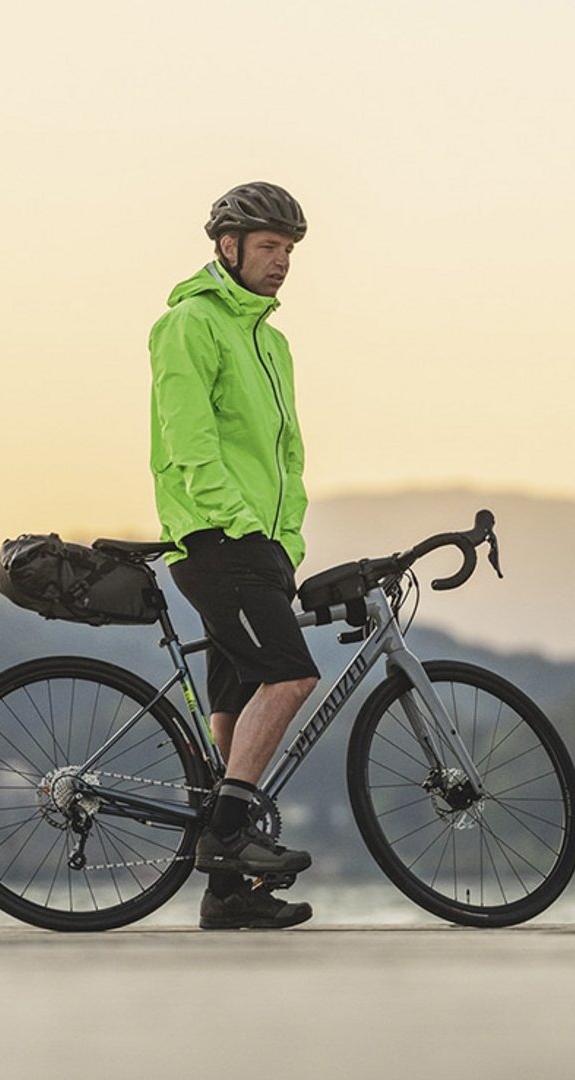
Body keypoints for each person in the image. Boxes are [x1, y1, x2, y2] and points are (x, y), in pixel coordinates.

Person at [149, 181, 321, 930]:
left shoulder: (270, 340)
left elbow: (284, 455)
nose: (281, 261)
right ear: (229, 247)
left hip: (260, 547)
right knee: (291, 675)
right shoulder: (189, 324)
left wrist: (284, 542)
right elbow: (191, 445)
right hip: (219, 540)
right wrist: (242, 527)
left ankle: (229, 898)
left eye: (288, 249)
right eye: (269, 247)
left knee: (234, 701)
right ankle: (224, 839)